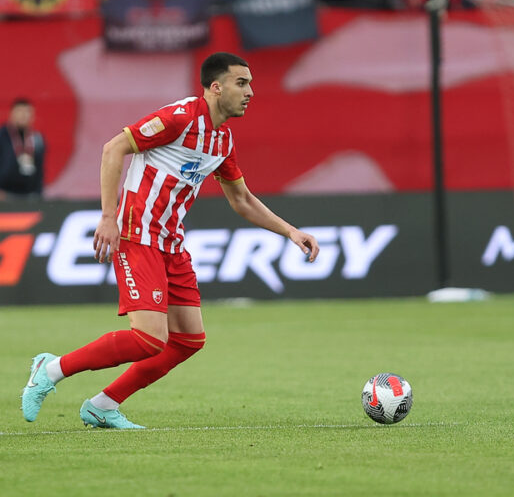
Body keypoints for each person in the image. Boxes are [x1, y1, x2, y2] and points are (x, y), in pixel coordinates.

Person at [21, 52, 320, 429]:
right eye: (241, 83)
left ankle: (103, 405)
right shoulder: (179, 118)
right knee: (149, 339)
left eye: (250, 84)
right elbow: (113, 148)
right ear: (216, 88)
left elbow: (241, 200)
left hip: (171, 244)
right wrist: (109, 217)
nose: (250, 92)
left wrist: (290, 231)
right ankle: (50, 370)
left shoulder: (222, 141)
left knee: (188, 340)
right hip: (136, 233)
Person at [0, 98, 45, 201]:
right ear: (12, 114)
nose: (23, 115)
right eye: (20, 111)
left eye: (27, 112)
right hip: (4, 194)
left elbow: (40, 167)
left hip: (29, 195)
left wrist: (39, 192)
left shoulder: (37, 138)